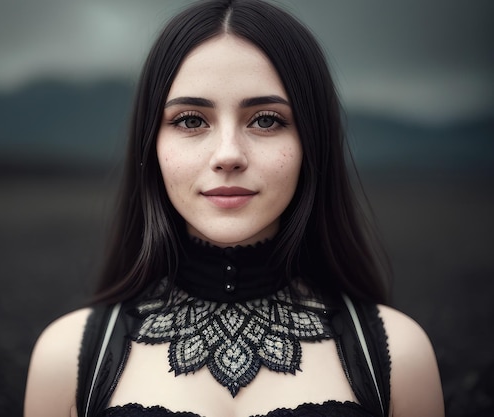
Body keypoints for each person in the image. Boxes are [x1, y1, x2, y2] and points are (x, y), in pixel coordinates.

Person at [24, 1, 444, 416]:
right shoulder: (67, 359)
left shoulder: (397, 357)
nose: (228, 155)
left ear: (311, 144)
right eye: (190, 120)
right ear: (151, 144)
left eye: (265, 120)